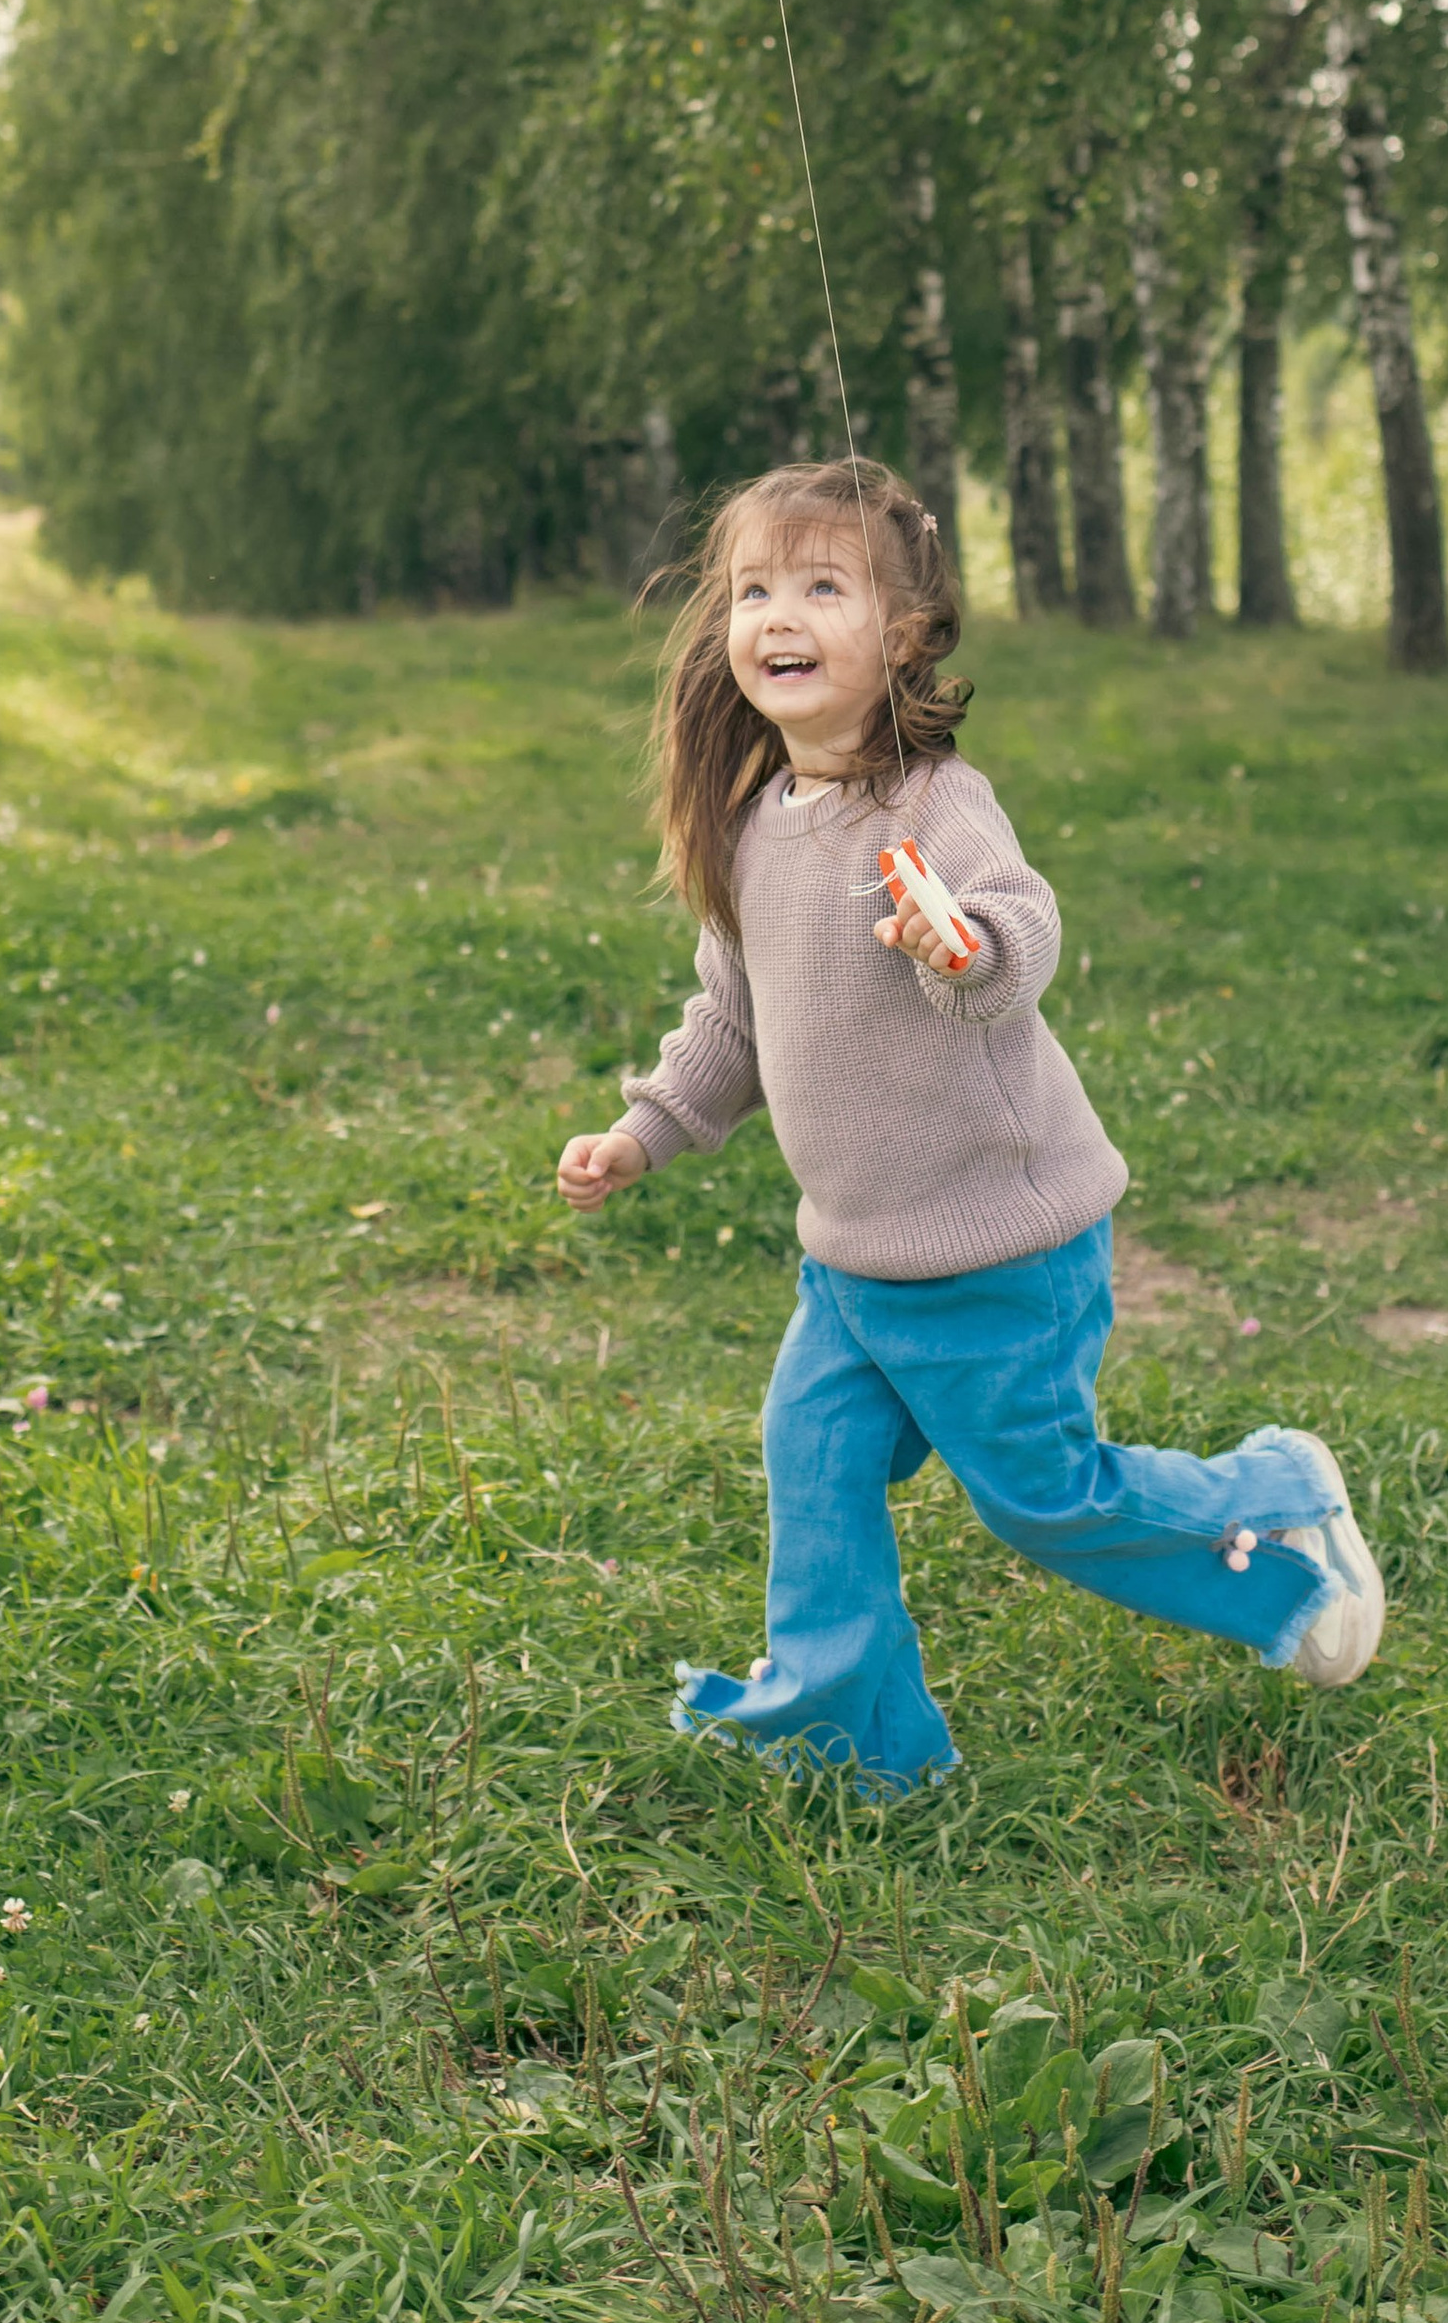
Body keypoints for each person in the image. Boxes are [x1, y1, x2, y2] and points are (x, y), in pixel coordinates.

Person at [555, 455, 1383, 1793]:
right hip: (854, 1263)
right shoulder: (757, 826)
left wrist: (963, 944)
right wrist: (642, 1133)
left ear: (903, 637)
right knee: (814, 1470)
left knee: (1042, 1497)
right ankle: (847, 1734)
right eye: (755, 589)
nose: (777, 616)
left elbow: (1025, 929)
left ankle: (1272, 1514)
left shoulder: (937, 801)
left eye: (822, 587)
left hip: (1000, 1246)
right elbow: (733, 1025)